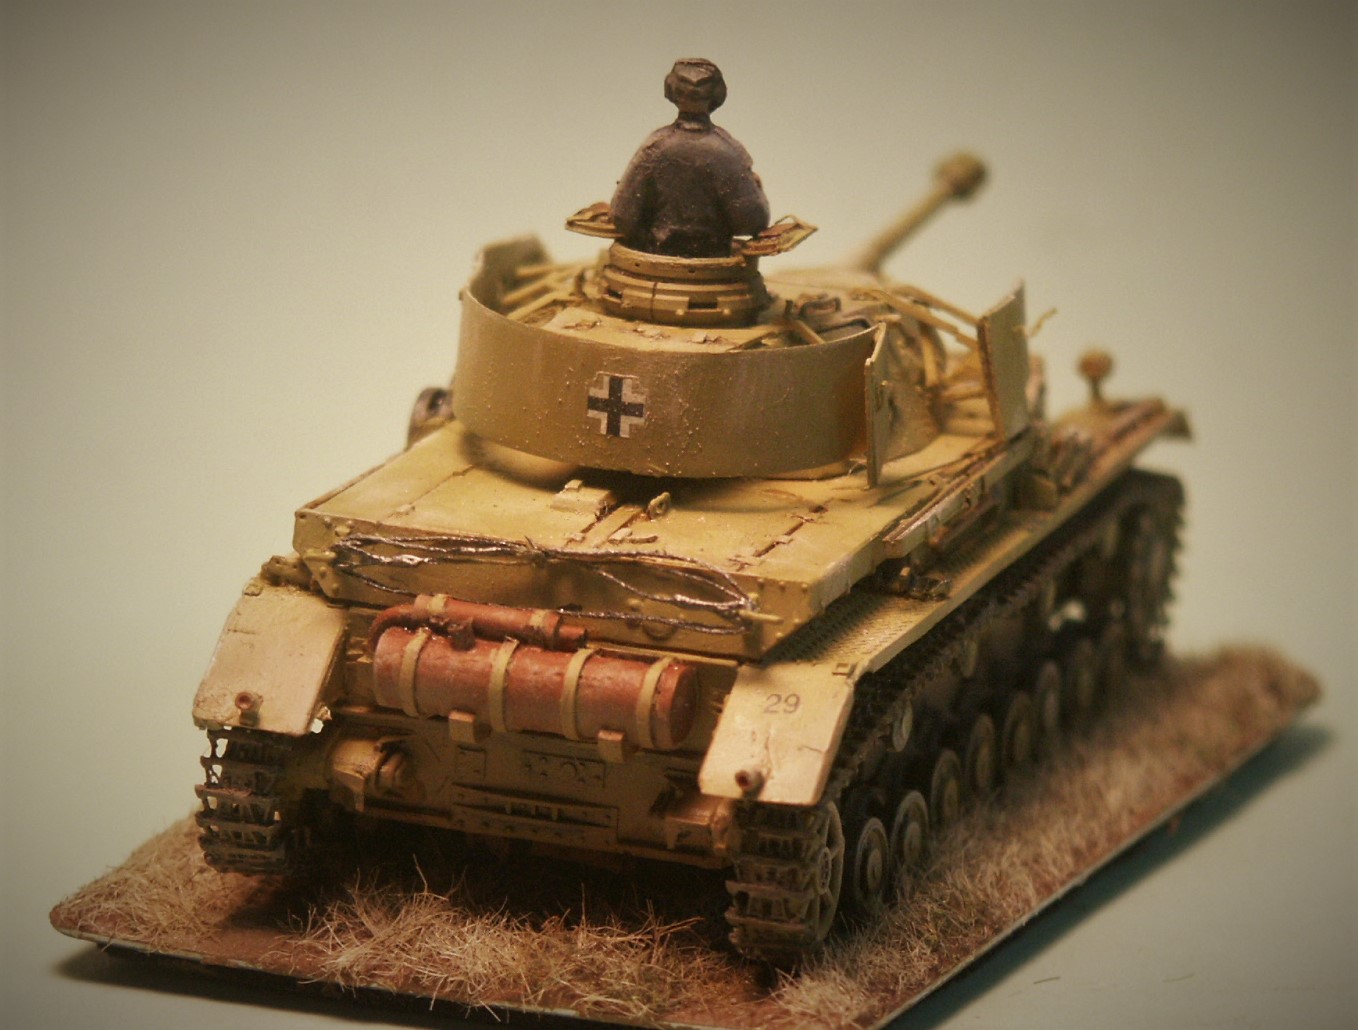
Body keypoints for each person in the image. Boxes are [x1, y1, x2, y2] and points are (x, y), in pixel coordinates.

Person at [610, 59, 770, 259]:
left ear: (671, 92)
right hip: (714, 264)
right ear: (717, 95)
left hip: (655, 261)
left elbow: (621, 217)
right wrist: (757, 189)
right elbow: (752, 221)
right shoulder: (729, 151)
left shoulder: (654, 146)